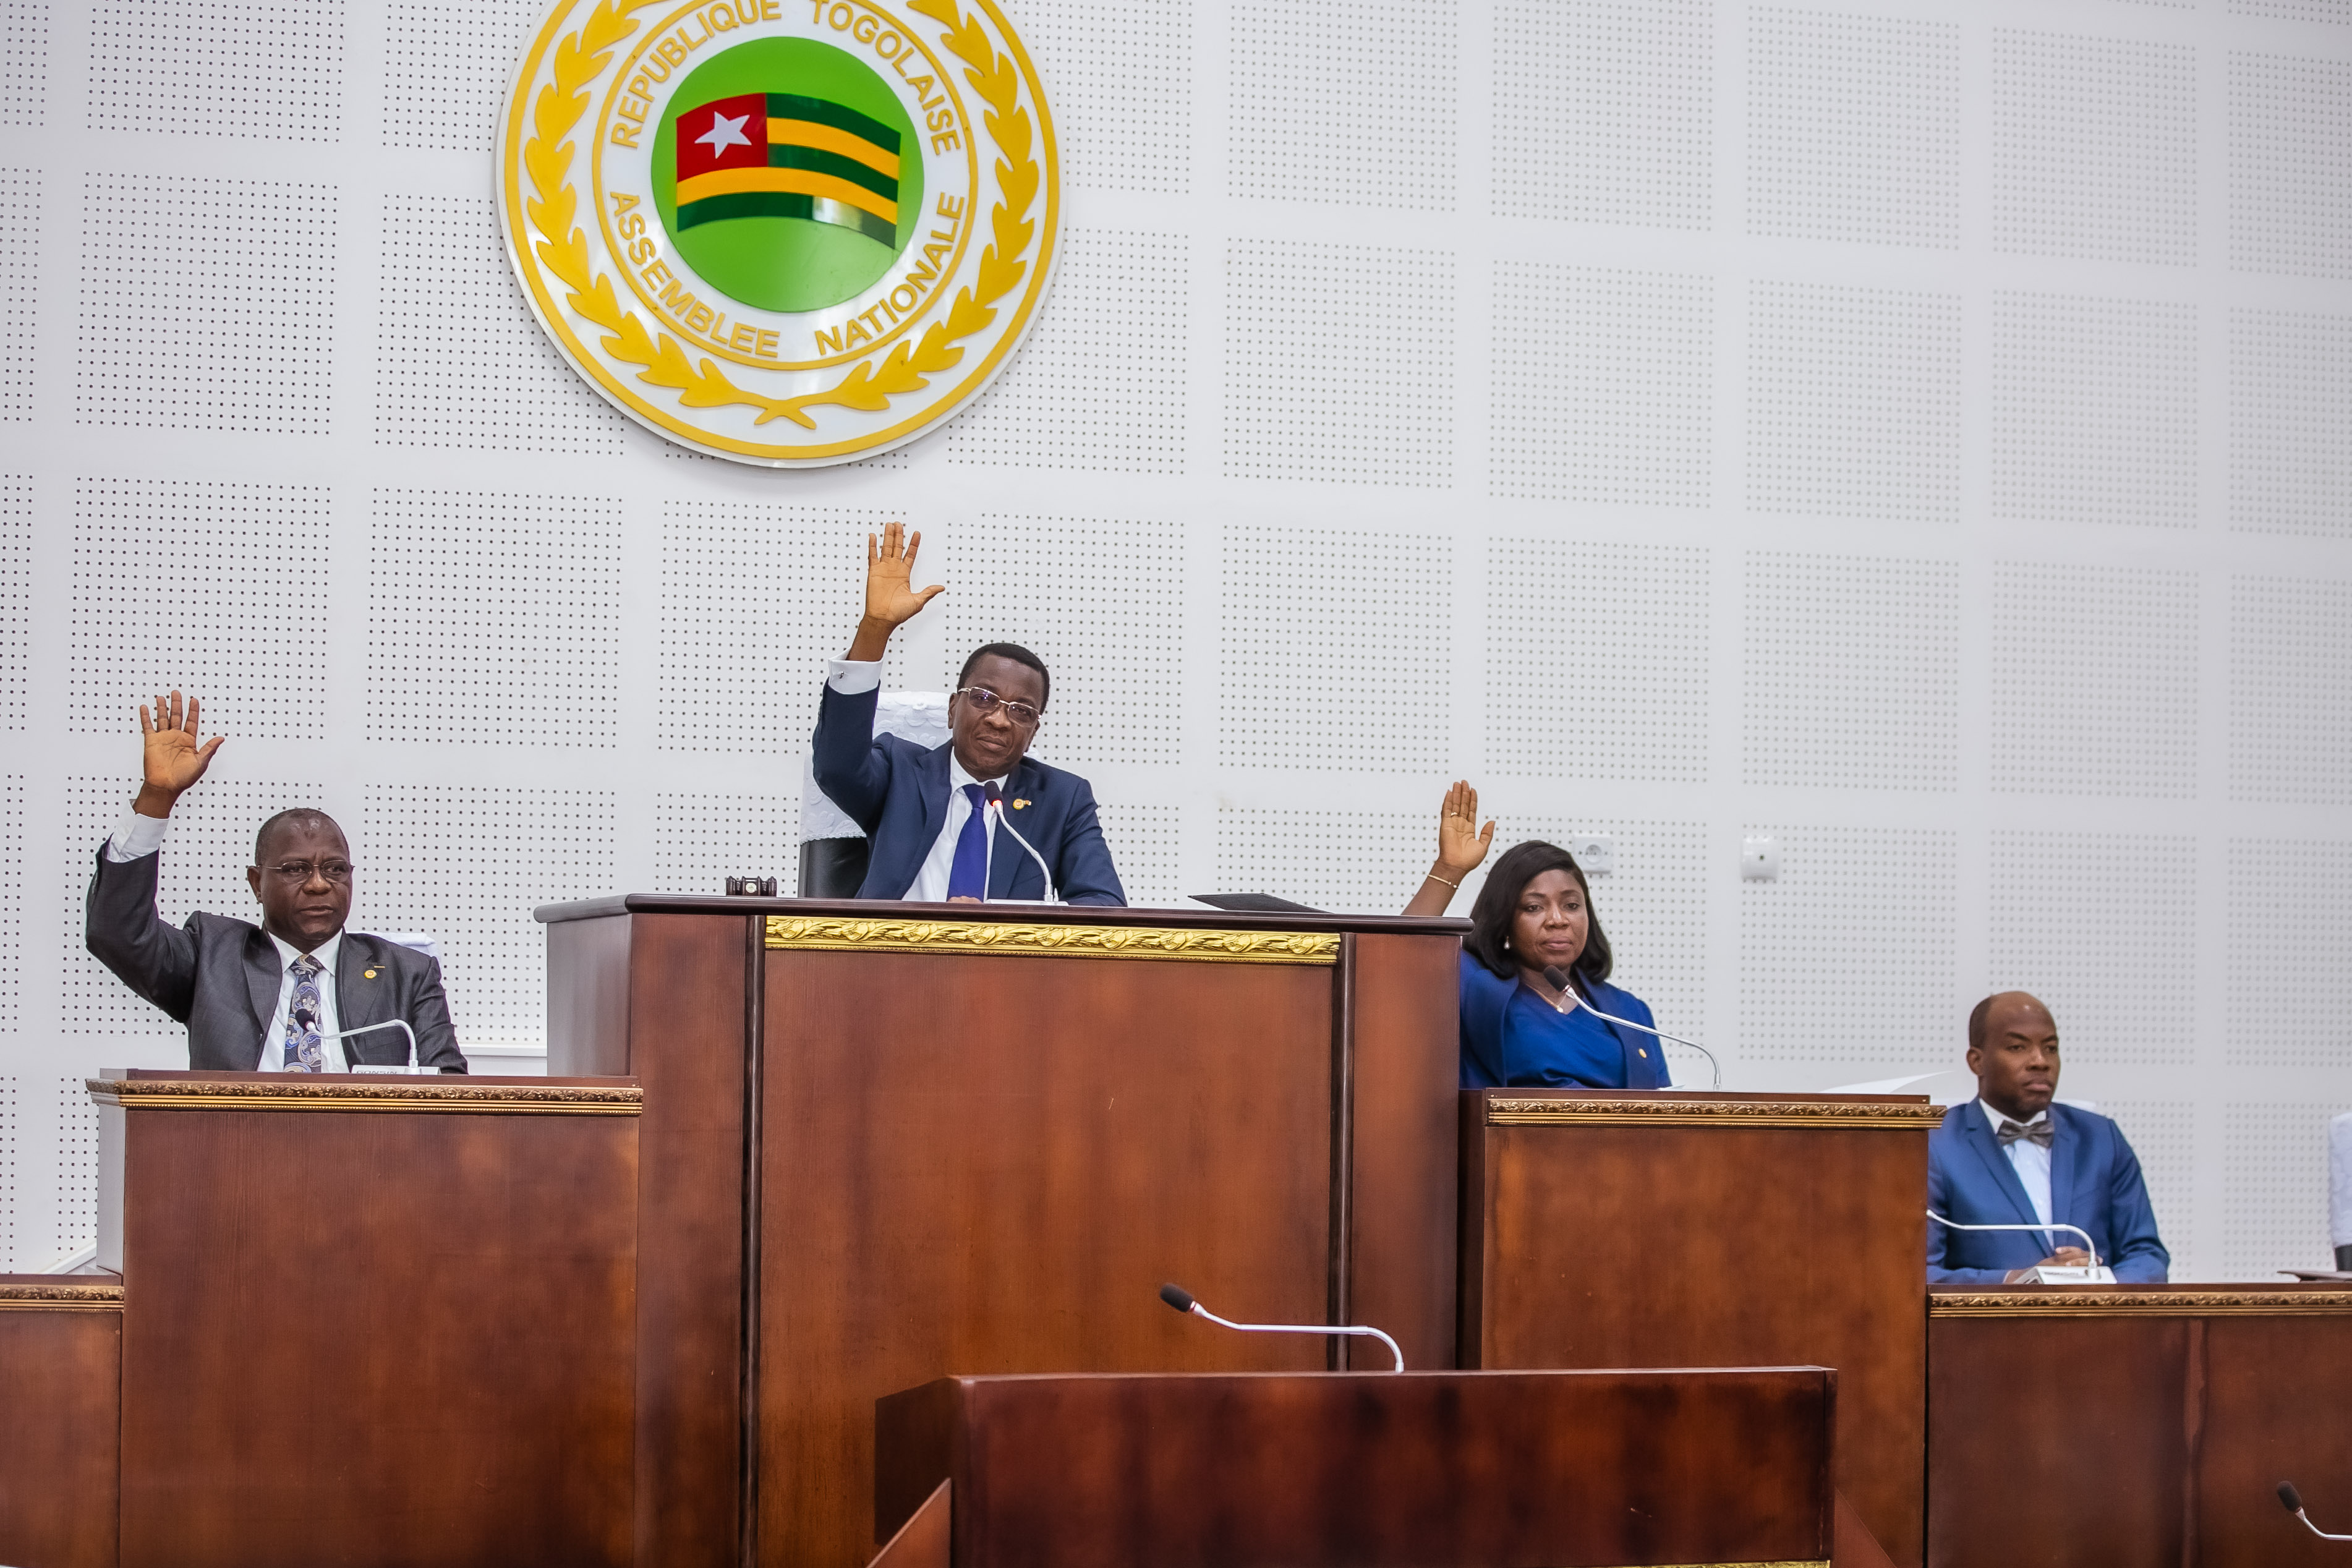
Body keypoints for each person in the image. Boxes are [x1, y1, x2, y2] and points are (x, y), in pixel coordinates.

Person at [83, 691, 466, 1073]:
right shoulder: (212, 958)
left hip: (367, 1135)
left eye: (335, 870)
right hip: (238, 1134)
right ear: (256, 882)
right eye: (295, 870)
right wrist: (156, 800)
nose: (319, 884)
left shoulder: (405, 972)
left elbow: (451, 1092)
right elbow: (118, 933)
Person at [811, 523, 1124, 905]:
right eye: (984, 698)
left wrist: (1003, 926)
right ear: (953, 708)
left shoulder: (1062, 798)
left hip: (1005, 962)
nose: (1000, 719)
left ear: (1034, 730)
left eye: (1021, 711)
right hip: (892, 956)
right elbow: (837, 765)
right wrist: (875, 630)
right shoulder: (900, 772)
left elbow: (1103, 903)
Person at [1402, 782, 1668, 1089]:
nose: (1558, 920)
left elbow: (1664, 1113)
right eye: (1533, 907)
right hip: (1507, 1138)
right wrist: (1448, 870)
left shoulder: (1629, 1011)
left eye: (1571, 905)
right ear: (1505, 920)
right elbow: (1402, 957)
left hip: (1618, 1139)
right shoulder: (1471, 985)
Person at [1927, 991, 2167, 1284]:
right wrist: (2017, 1281)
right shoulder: (1935, 1144)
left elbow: (2147, 1256)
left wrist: (2100, 1285)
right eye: (2017, 1047)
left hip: (2097, 1325)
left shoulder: (2102, 1138)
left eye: (2051, 1048)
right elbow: (1919, 1272)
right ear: (1977, 1061)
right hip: (1987, 1328)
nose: (2040, 1062)